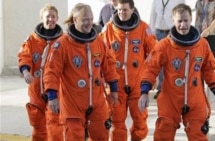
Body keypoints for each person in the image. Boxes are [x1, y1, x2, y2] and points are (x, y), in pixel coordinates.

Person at [138, 3, 215, 141]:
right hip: (170, 99)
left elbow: (209, 71)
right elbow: (150, 69)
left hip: (195, 99)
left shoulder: (202, 45)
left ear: (191, 19)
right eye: (179, 21)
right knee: (163, 133)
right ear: (173, 21)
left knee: (199, 135)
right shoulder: (164, 46)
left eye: (186, 20)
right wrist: (144, 92)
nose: (183, 25)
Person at [43, 3, 119, 141]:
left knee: (102, 134)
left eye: (91, 19)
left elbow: (109, 65)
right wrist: (52, 96)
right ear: (75, 20)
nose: (89, 23)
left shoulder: (98, 42)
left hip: (96, 100)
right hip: (72, 103)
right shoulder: (62, 44)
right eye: (85, 19)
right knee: (74, 137)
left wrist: (113, 88)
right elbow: (51, 71)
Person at [100, 0, 157, 140]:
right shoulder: (108, 29)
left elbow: (154, 54)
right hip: (116, 84)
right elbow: (100, 54)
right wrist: (102, 76)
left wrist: (151, 77)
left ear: (132, 10)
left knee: (140, 119)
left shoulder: (144, 29)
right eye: (119, 10)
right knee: (116, 120)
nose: (121, 13)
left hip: (137, 82)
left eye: (125, 10)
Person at [17, 4, 63, 141]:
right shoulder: (32, 39)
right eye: (47, 16)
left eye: (53, 16)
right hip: (36, 90)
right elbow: (24, 56)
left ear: (57, 18)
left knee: (55, 127)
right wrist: (26, 72)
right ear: (41, 18)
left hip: (56, 91)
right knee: (38, 127)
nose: (50, 19)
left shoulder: (63, 41)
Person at [149, 0, 185, 99]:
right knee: (159, 62)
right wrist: (151, 34)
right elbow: (153, 15)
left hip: (172, 32)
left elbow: (183, 15)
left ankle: (173, 88)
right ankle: (161, 89)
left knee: (174, 62)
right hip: (159, 32)